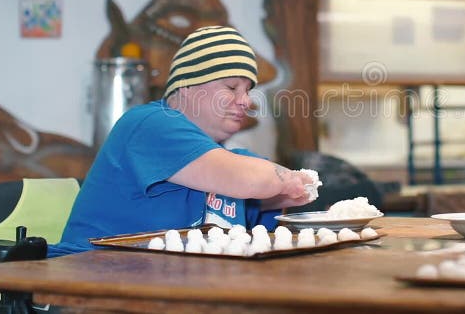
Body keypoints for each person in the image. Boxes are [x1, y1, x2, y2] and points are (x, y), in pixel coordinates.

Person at [49, 25, 313, 256]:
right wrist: (284, 181)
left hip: (163, 289)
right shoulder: (150, 124)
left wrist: (275, 195)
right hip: (87, 282)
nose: (246, 101)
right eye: (232, 87)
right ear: (187, 86)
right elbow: (255, 180)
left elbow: (261, 203)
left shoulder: (226, 160)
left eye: (248, 91)